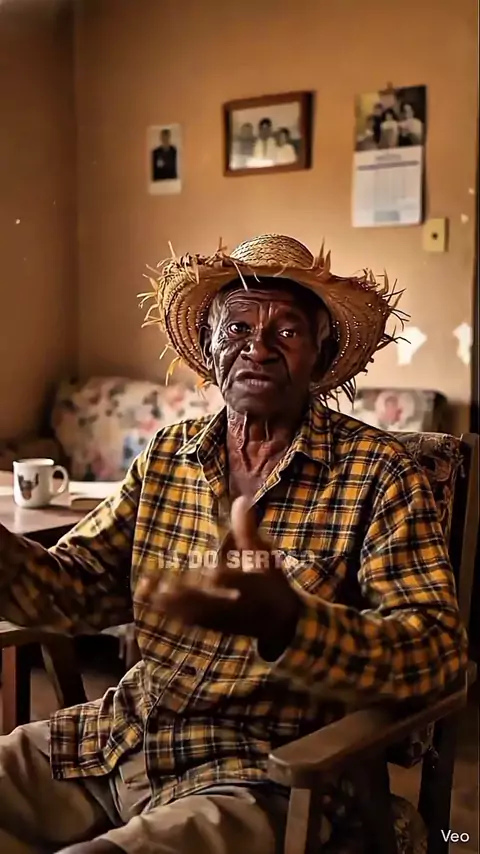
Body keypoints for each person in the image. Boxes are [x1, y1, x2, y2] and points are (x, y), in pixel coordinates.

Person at [0, 233, 466, 854]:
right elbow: (73, 589)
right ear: (210, 347)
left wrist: (291, 624)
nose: (258, 348)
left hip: (263, 772)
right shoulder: (169, 454)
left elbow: (437, 657)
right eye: (238, 328)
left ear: (322, 354)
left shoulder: (380, 473)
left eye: (287, 331)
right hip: (123, 738)